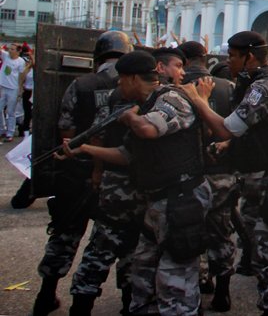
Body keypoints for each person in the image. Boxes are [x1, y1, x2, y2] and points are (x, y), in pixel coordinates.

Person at [68, 49, 210, 316]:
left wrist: (128, 117)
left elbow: (147, 129)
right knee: (143, 277)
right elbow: (128, 155)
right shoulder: (145, 105)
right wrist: (84, 149)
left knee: (176, 284)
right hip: (157, 203)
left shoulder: (170, 99)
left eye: (121, 80)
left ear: (133, 78)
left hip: (181, 202)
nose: (119, 86)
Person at [185, 31, 268, 316]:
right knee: (260, 241)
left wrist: (199, 101)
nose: (228, 61)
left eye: (232, 56)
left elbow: (227, 127)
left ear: (250, 57)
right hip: (260, 169)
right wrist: (229, 143)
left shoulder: (263, 87)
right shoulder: (256, 81)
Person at [33, 30, 132, 316]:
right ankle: (129, 301)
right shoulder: (135, 84)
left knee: (65, 234)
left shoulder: (81, 84)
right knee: (123, 241)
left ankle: (46, 294)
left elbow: (66, 128)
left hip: (77, 173)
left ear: (98, 57)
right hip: (119, 176)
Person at [178, 40, 238, 312]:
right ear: (205, 57)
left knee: (185, 233)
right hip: (220, 172)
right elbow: (240, 128)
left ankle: (195, 289)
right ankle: (223, 291)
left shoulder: (174, 88)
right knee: (221, 231)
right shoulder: (228, 87)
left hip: (184, 174)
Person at [0, 43, 27, 141]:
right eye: (10, 49)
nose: (10, 51)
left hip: (13, 89)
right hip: (2, 87)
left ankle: (10, 133)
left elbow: (21, 76)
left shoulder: (21, 61)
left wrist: (20, 89)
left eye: (12, 49)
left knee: (10, 111)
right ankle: (1, 129)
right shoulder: (5, 55)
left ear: (18, 51)